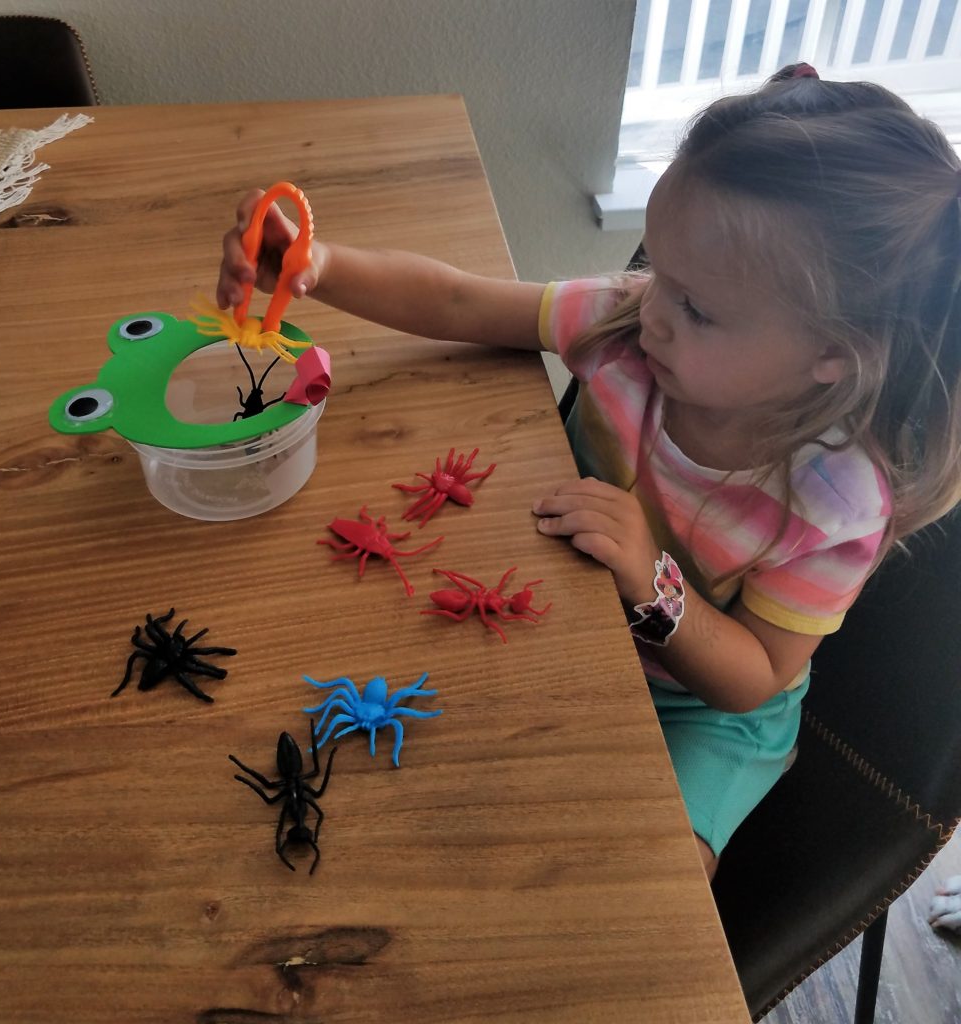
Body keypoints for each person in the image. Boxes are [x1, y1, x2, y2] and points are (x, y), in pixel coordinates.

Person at [216, 64, 961, 879]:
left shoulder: (834, 503)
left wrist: (651, 577)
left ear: (832, 356)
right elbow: (463, 303)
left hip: (702, 708)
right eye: (659, 273)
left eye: (697, 307)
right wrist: (317, 266)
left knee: (653, 879)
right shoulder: (630, 325)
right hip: (572, 611)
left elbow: (754, 678)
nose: (652, 311)